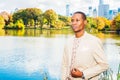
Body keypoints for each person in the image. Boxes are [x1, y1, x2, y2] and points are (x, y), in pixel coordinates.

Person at [61, 11, 109, 80]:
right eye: (72, 20)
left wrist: (83, 74)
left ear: (85, 22)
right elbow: (64, 65)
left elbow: (104, 65)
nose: (74, 23)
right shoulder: (68, 42)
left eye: (77, 20)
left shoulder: (94, 41)